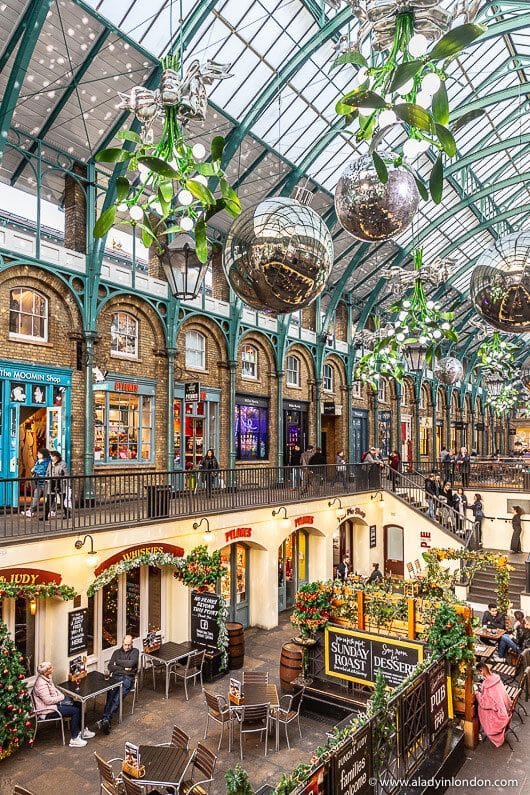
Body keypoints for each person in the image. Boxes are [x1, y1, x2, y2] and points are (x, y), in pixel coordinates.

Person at [33, 661, 95, 747]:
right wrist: (61, 698)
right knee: (75, 711)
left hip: (54, 705)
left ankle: (82, 730)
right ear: (46, 671)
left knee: (78, 704)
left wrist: (60, 695)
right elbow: (48, 701)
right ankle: (74, 738)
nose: (52, 668)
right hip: (47, 710)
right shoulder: (41, 684)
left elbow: (54, 689)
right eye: (50, 668)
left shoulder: (47, 678)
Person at [96, 635, 139, 734]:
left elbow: (131, 664)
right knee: (110, 696)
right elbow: (110, 666)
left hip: (128, 678)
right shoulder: (116, 652)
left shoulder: (135, 651)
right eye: (125, 645)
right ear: (122, 643)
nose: (127, 647)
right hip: (115, 677)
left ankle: (106, 719)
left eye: (129, 645)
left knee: (117, 698)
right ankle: (106, 720)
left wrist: (118, 663)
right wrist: (124, 668)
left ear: (132, 644)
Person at [475, 661, 512, 747]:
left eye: (478, 673)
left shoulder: (487, 684)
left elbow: (484, 703)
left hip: (497, 713)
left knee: (479, 708)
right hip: (504, 707)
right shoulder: (496, 677)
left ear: (481, 671)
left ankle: (477, 732)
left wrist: (477, 693)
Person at [25, 447, 51, 518]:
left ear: (44, 454)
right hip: (39, 482)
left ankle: (52, 511)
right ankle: (31, 511)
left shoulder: (48, 462)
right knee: (36, 497)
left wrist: (35, 471)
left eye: (39, 454)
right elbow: (35, 469)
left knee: (49, 497)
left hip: (46, 482)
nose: (37, 455)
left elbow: (45, 471)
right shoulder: (38, 461)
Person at [47, 451, 70, 518]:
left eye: (52, 456)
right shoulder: (50, 463)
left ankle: (67, 513)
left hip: (60, 484)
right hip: (51, 484)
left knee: (62, 501)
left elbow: (66, 474)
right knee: (49, 500)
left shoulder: (62, 464)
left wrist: (68, 485)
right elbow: (47, 472)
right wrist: (47, 479)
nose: (50, 457)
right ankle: (45, 516)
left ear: (56, 457)